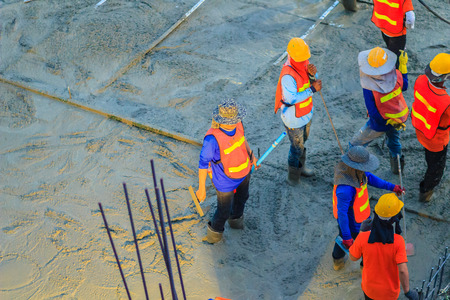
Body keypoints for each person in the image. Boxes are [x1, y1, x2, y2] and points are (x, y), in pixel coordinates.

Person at [331, 146, 405, 270]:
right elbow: (342, 214)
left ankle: (338, 261)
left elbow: (371, 178)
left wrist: (392, 187)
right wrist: (347, 236)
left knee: (346, 240)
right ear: (356, 167)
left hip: (362, 218)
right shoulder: (345, 189)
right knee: (365, 245)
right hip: (353, 225)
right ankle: (358, 266)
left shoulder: (356, 172)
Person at [196, 99, 257, 244]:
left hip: (244, 172)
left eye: (234, 120)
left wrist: (251, 155)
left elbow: (242, 140)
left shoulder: (239, 124)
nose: (232, 123)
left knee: (242, 198)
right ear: (220, 120)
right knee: (223, 210)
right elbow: (203, 164)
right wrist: (201, 188)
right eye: (229, 121)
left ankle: (236, 221)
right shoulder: (212, 140)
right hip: (224, 181)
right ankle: (214, 237)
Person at [350, 47, 409, 174]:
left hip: (380, 123)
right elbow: (405, 86)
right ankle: (397, 169)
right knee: (394, 142)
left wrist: (381, 124)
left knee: (355, 145)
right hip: (397, 119)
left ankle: (354, 172)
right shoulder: (396, 75)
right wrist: (403, 66)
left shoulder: (369, 86)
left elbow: (372, 111)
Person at [349, 193, 419, 300]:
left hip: (369, 290)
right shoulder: (398, 242)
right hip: (389, 294)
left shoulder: (363, 237)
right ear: (394, 219)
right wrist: (408, 291)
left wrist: (361, 233)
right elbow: (402, 270)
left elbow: (353, 257)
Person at [274, 37, 322, 185]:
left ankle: (301, 168)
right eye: (302, 59)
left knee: (302, 144)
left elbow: (311, 80)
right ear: (292, 56)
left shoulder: (303, 63)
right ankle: (293, 176)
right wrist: (312, 89)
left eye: (305, 58)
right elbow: (290, 99)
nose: (305, 61)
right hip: (294, 119)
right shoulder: (288, 75)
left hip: (306, 114)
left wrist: (313, 75)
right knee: (296, 148)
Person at [411, 53, 450, 202]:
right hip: (437, 142)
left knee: (430, 159)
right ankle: (426, 191)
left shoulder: (420, 80)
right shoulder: (445, 102)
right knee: (436, 168)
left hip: (421, 131)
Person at [371, 0, 414, 67]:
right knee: (396, 54)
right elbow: (410, 18)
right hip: (397, 32)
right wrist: (409, 26)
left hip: (383, 25)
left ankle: (390, 53)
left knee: (389, 44)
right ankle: (395, 68)